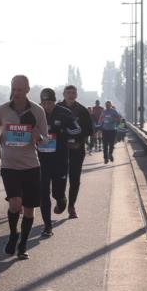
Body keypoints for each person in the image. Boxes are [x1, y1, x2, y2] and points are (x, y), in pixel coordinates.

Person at [0, 75, 48, 259]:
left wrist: (36, 136)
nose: (15, 93)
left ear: (27, 90)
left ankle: (23, 244)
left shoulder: (37, 111)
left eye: (19, 90)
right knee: (15, 204)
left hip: (30, 165)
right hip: (9, 165)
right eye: (13, 89)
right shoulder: (2, 110)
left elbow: (45, 139)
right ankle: (13, 234)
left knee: (29, 209)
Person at [36, 88, 81, 237]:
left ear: (54, 102)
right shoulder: (35, 113)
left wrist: (62, 131)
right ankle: (47, 226)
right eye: (44, 103)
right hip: (41, 159)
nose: (47, 106)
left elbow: (77, 130)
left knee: (57, 192)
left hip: (60, 158)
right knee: (43, 192)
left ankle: (61, 199)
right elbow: (24, 129)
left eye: (49, 103)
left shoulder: (64, 112)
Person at [61, 85, 95, 219]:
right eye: (68, 92)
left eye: (73, 92)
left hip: (77, 150)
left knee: (75, 179)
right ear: (63, 94)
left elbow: (88, 130)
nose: (70, 95)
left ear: (76, 94)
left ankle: (71, 206)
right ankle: (61, 200)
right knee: (60, 179)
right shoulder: (57, 109)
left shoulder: (82, 110)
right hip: (60, 151)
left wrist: (79, 142)